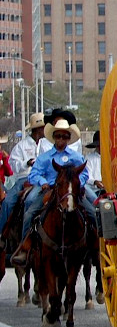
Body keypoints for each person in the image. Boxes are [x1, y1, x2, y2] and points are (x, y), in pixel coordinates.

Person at [9, 119, 96, 267]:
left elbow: (85, 174)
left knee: (93, 210)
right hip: (49, 189)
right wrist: (42, 182)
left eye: (64, 136)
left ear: (68, 138)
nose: (61, 139)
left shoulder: (76, 157)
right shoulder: (45, 157)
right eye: (58, 136)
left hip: (71, 191)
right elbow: (34, 174)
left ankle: (96, 248)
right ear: (54, 137)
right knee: (29, 210)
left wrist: (76, 184)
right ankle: (25, 247)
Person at [0, 113, 48, 244]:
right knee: (8, 202)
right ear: (38, 129)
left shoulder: (46, 145)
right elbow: (13, 165)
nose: (45, 131)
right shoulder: (21, 146)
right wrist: (27, 163)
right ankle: (2, 234)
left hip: (42, 179)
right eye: (43, 127)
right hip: (24, 177)